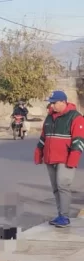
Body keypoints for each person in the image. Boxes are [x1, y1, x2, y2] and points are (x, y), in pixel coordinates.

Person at [34, 90, 84, 228]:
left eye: (54, 103)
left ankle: (65, 217)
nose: (51, 106)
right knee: (56, 188)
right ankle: (60, 214)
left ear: (63, 102)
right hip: (50, 158)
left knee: (63, 186)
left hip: (65, 159)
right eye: (51, 103)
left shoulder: (75, 117)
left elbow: (79, 141)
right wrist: (39, 151)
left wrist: (73, 159)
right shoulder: (50, 117)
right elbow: (44, 136)